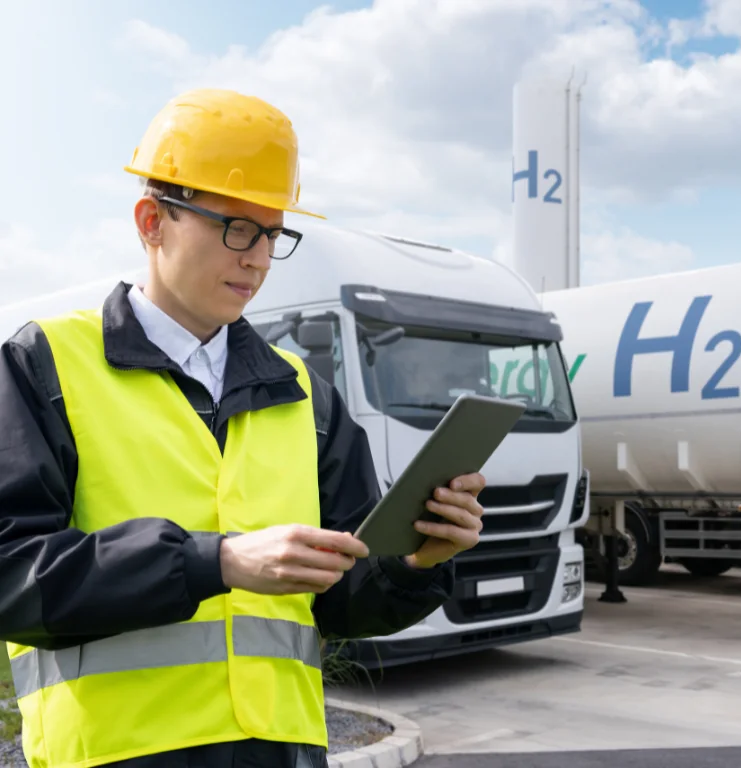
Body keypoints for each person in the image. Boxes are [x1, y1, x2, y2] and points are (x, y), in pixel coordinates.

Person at [0, 88, 486, 768]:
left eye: (273, 234)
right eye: (237, 228)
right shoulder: (42, 365)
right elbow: (13, 577)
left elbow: (346, 603)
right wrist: (216, 562)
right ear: (151, 221)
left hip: (283, 754)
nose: (258, 258)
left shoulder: (306, 395)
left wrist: (414, 563)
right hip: (114, 757)